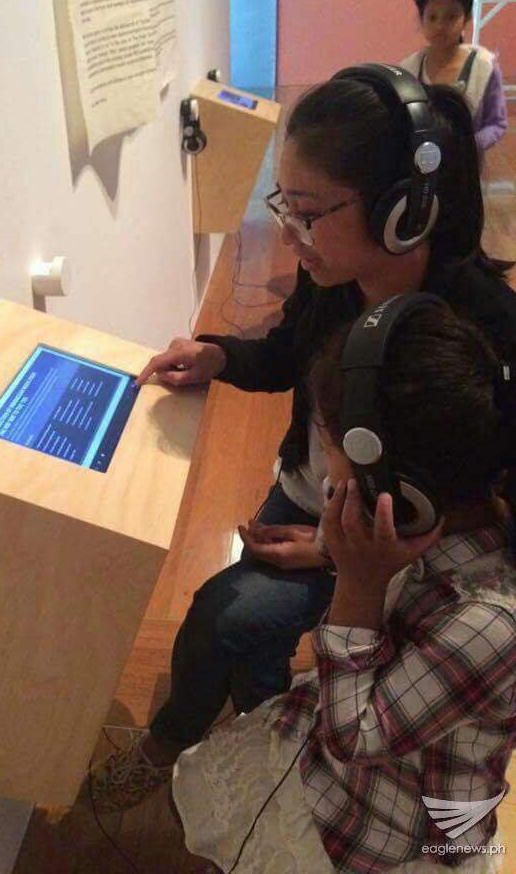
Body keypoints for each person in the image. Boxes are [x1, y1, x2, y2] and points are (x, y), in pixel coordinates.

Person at [88, 63, 516, 814]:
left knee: (223, 615)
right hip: (314, 501)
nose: (289, 233)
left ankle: (189, 744)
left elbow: (477, 517)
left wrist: (334, 551)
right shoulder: (333, 278)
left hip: (388, 550)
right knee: (248, 642)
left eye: (309, 213)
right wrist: (220, 356)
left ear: (403, 209)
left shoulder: (485, 330)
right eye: (283, 203)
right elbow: (289, 354)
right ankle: (263, 739)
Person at [172, 296, 516, 874]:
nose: (322, 462)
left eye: (327, 439)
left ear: (399, 485)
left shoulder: (490, 624)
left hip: (379, 833)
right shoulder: (434, 519)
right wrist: (325, 549)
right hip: (332, 761)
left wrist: (358, 582)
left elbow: (354, 738)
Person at [399, 0, 508, 152]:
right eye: (432, 17)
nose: (440, 25)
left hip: (466, 163)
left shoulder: (483, 67)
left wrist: (468, 147)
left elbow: (497, 123)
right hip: (419, 161)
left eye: (451, 17)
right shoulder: (408, 69)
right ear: (422, 20)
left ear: (466, 19)